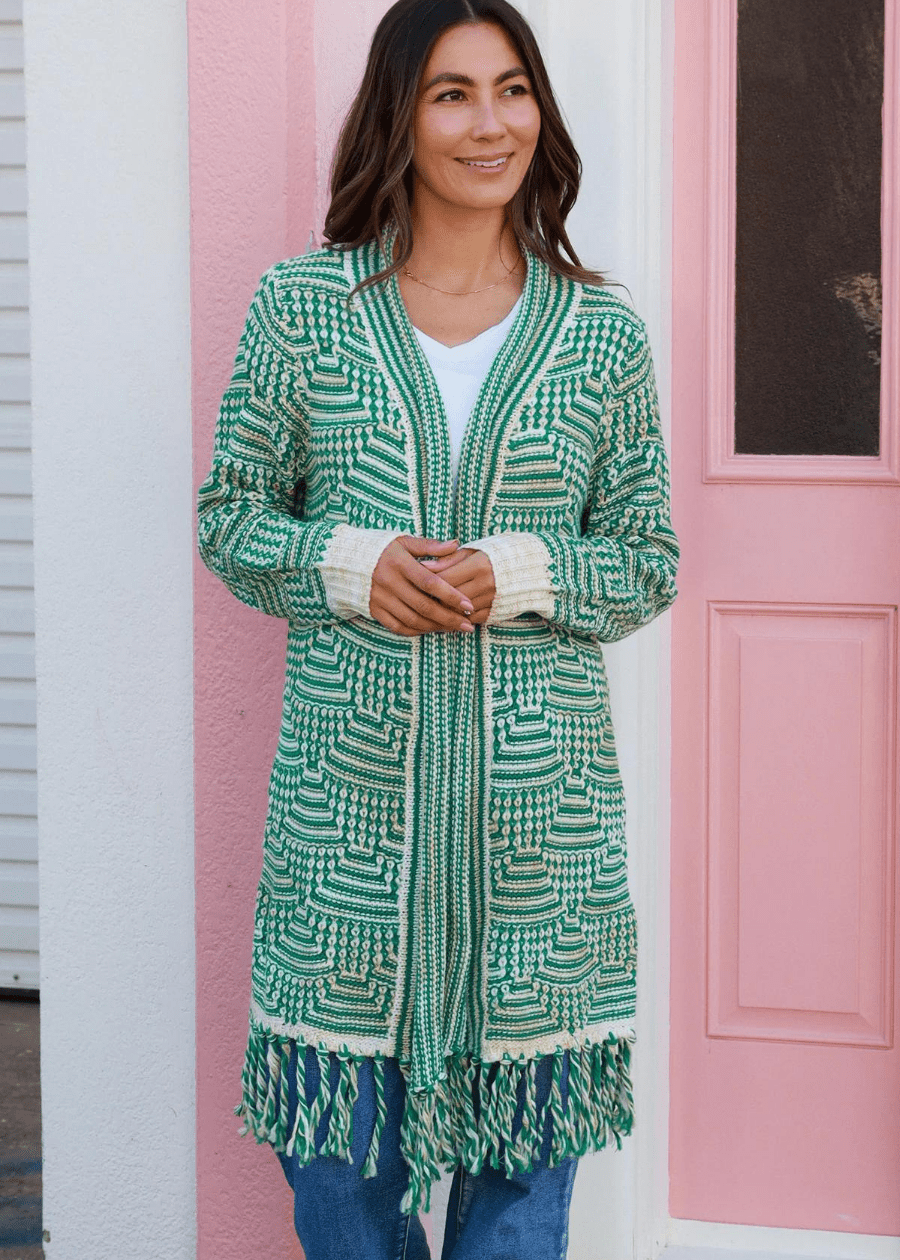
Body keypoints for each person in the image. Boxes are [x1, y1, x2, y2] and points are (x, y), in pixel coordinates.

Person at [196, 0, 680, 1255]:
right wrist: (350, 563)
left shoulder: (599, 334)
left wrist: (516, 568)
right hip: (344, 831)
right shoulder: (306, 309)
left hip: (541, 850)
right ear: (399, 116)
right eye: (452, 93)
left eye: (513, 89)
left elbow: (647, 561)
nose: (490, 123)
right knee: (339, 1192)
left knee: (521, 1207)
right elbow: (230, 517)